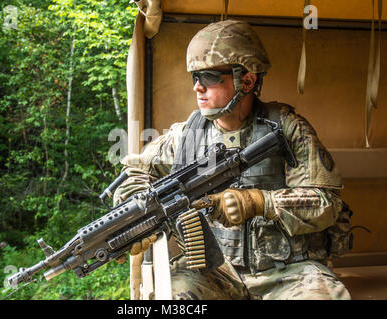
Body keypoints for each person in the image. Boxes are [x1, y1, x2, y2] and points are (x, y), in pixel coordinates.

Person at [114, 20, 351, 300]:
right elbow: (136, 174)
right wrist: (136, 217)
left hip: (289, 272)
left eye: (210, 77)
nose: (197, 88)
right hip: (212, 271)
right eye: (194, 77)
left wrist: (259, 202)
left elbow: (327, 203)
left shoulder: (287, 129)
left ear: (247, 80)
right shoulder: (186, 135)